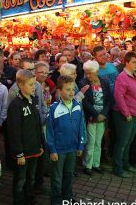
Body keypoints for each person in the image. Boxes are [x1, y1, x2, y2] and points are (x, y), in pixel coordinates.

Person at [46, 75, 86, 205]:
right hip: (59, 150)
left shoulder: (78, 106)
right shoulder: (53, 108)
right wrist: (52, 150)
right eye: (67, 89)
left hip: (72, 148)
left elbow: (81, 126)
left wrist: (80, 145)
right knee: (57, 177)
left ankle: (67, 198)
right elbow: (49, 132)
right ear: (59, 91)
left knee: (69, 175)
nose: (71, 92)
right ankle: (56, 200)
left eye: (72, 89)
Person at [6, 69, 44, 205]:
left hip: (34, 149)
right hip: (22, 152)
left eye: (34, 84)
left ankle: (29, 199)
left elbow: (37, 125)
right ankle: (19, 201)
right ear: (21, 85)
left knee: (31, 178)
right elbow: (14, 132)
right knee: (20, 179)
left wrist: (40, 144)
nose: (34, 87)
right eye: (31, 84)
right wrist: (19, 153)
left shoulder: (34, 100)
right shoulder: (15, 105)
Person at [113, 52, 136, 178]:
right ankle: (118, 168)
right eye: (133, 62)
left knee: (128, 142)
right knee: (122, 143)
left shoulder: (135, 76)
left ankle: (126, 164)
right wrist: (126, 114)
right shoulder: (122, 77)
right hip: (125, 115)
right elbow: (118, 97)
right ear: (126, 63)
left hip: (135, 114)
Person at [79, 60, 111, 175]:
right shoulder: (83, 83)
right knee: (91, 142)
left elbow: (109, 100)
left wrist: (103, 114)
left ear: (97, 71)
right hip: (91, 117)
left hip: (102, 117)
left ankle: (96, 164)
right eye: (86, 73)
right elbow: (85, 102)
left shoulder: (105, 82)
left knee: (98, 141)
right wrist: (96, 115)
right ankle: (87, 165)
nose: (88, 75)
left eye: (91, 73)